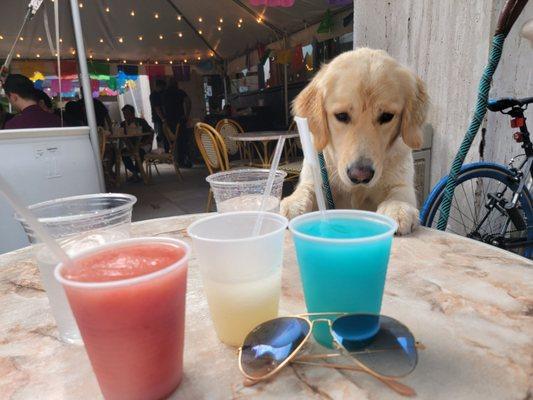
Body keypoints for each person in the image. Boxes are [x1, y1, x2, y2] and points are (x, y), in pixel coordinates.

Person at [162, 78, 192, 167]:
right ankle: (182, 160)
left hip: (170, 120)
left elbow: (162, 107)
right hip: (180, 119)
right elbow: (188, 102)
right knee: (182, 140)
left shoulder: (165, 94)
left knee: (172, 141)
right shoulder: (180, 92)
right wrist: (187, 114)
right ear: (176, 84)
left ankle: (175, 159)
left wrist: (165, 118)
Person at [120, 104, 154, 182]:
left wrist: (148, 142)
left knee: (139, 152)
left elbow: (151, 131)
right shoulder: (123, 124)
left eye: (127, 114)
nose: (125, 116)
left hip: (144, 144)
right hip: (131, 145)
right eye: (124, 114)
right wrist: (127, 144)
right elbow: (122, 136)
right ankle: (135, 172)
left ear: (133, 113)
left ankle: (137, 173)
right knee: (122, 153)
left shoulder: (140, 121)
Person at [150, 79, 167, 151]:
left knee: (165, 135)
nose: (163, 89)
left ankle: (165, 150)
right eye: (162, 87)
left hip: (161, 118)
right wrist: (162, 118)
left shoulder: (161, 93)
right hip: (158, 118)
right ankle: (161, 150)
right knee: (160, 135)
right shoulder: (154, 95)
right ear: (159, 86)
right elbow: (157, 108)